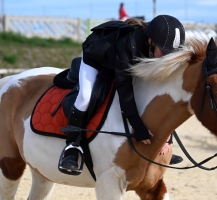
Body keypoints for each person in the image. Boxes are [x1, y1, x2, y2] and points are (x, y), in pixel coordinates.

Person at [58, 15, 186, 172]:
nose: (168, 57)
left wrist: (167, 137)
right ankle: (72, 147)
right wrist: (138, 128)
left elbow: (160, 95)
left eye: (171, 53)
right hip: (95, 59)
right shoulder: (129, 44)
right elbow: (124, 89)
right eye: (165, 52)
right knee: (85, 96)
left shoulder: (156, 51)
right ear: (150, 41)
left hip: (124, 62)